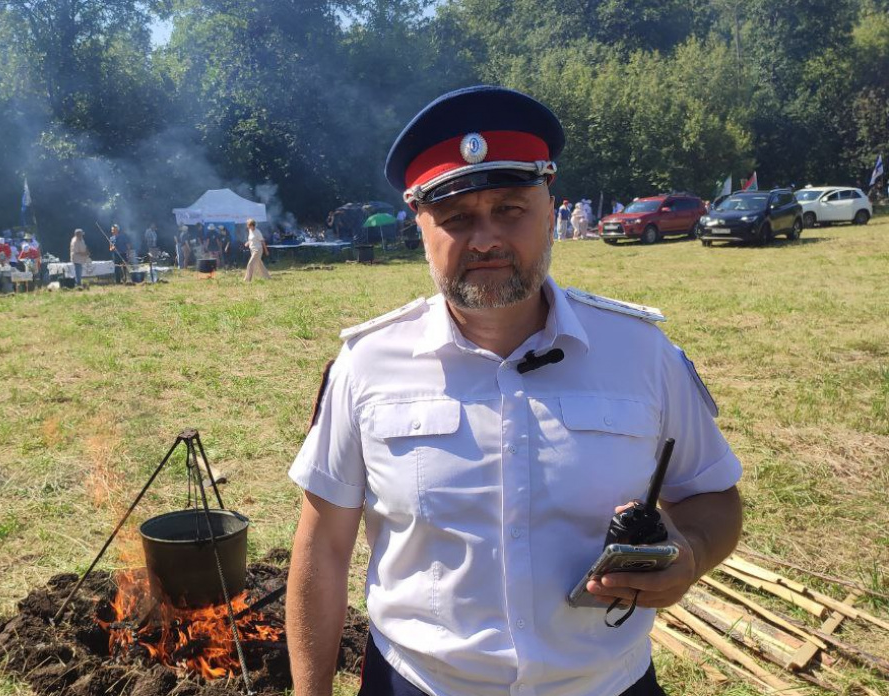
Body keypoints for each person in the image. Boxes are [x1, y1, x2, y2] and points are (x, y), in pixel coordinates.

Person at [286, 86, 743, 696]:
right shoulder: (366, 365)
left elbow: (714, 498)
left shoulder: (641, 354)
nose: (485, 240)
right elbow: (322, 549)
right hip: (418, 684)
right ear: (420, 226)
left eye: (509, 209)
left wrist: (688, 554)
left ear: (549, 209)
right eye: (457, 218)